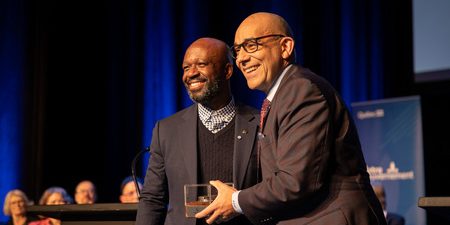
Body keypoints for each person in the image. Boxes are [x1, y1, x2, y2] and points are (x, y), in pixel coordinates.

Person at [195, 12, 387, 225]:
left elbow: (295, 181)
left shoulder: (301, 90)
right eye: (238, 50)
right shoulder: (282, 94)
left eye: (251, 46)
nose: (241, 59)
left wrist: (235, 200)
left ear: (285, 47)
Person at [135, 37, 259, 225]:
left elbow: (275, 191)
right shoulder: (166, 130)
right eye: (186, 68)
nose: (191, 74)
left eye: (201, 64)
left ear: (227, 71)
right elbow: (153, 199)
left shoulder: (260, 123)